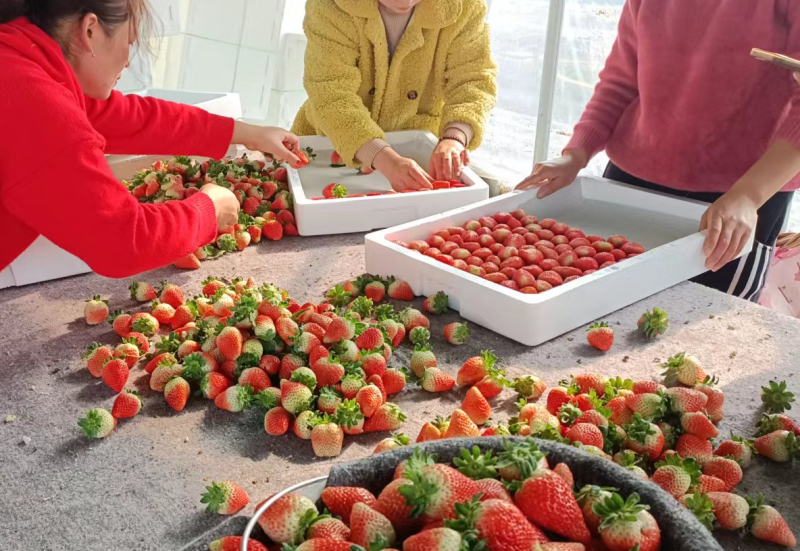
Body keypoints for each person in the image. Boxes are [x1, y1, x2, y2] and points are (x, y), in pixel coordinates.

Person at [517, 0, 800, 302]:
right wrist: (576, 154)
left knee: (705, 325)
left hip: (742, 198)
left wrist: (748, 195)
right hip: (630, 183)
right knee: (596, 306)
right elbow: (621, 81)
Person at [0, 0, 302, 279]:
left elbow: (134, 119)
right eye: (128, 42)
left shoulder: (20, 60)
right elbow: (124, 242)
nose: (128, 62)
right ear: (89, 30)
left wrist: (250, 134)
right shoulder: (34, 102)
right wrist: (209, 208)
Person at [292, 0, 498, 191]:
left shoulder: (464, 7)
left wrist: (455, 137)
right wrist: (384, 159)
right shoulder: (329, 6)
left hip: (418, 153)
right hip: (325, 147)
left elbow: (474, 81)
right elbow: (331, 94)